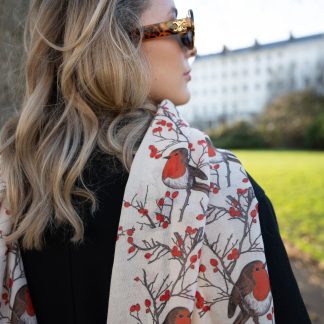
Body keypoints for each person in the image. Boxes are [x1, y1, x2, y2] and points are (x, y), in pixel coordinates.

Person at [0, 0, 311, 323]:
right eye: (180, 28)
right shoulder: (223, 189)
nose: (191, 48)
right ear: (118, 42)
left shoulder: (15, 186)